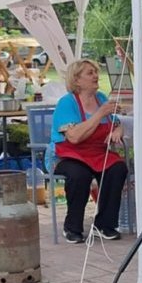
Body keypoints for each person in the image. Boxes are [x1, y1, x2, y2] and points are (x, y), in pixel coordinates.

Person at [46, 59, 128, 244]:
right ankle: (72, 227)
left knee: (117, 168)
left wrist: (118, 130)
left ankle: (105, 224)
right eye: (90, 73)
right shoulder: (67, 103)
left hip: (96, 152)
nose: (96, 76)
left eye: (96, 72)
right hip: (67, 154)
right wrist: (99, 114)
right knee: (79, 174)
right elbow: (74, 137)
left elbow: (116, 122)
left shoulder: (101, 98)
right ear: (77, 80)